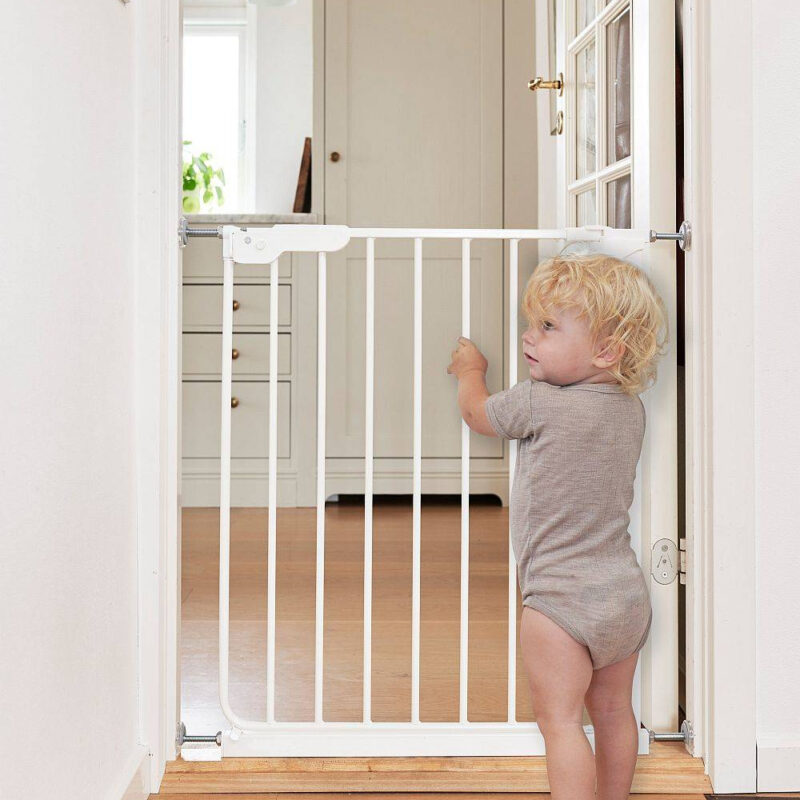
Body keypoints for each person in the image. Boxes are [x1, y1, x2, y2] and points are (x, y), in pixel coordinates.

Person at [446, 251, 669, 800]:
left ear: (606, 350)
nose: (529, 335)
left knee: (561, 724)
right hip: (623, 594)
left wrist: (471, 371)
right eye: (533, 322)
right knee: (615, 712)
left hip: (559, 603)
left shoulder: (537, 401)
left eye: (548, 326)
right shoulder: (630, 409)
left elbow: (477, 415)